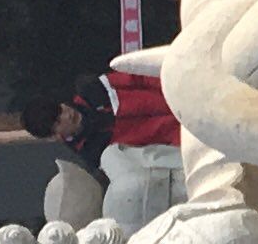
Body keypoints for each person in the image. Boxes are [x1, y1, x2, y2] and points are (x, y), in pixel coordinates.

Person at [23, 61, 178, 172]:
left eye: (60, 109)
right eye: (58, 121)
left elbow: (141, 77)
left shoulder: (95, 88)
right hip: (185, 138)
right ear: (53, 137)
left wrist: (177, 88)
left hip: (180, 92)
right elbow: (155, 159)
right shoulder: (97, 155)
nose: (67, 115)